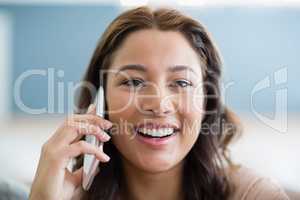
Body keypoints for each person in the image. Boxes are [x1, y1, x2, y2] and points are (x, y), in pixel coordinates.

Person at [29, 6, 289, 200]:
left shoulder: (256, 195)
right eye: (133, 82)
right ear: (100, 101)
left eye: (182, 83)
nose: (159, 104)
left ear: (207, 101)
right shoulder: (61, 196)